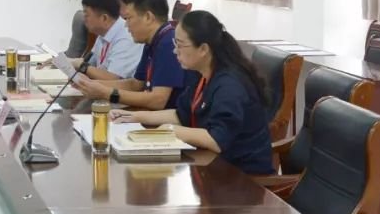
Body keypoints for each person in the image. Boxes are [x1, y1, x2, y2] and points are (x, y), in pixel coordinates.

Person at [112, 10, 273, 175]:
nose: (175, 51)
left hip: (241, 177)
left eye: (180, 45)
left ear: (203, 49)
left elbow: (216, 139)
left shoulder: (229, 85)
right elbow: (181, 114)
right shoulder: (202, 74)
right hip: (210, 166)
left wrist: (171, 131)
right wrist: (135, 117)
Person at [76, 0, 193, 110]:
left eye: (129, 18)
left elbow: (158, 100)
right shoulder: (152, 41)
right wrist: (91, 84)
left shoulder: (167, 44)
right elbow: (136, 84)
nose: (126, 25)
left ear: (148, 17)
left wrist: (106, 93)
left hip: (169, 117)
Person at [70, 0, 142, 80]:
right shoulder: (103, 33)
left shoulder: (126, 37)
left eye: (86, 15)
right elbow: (91, 64)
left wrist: (82, 66)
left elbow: (112, 78)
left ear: (104, 18)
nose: (84, 19)